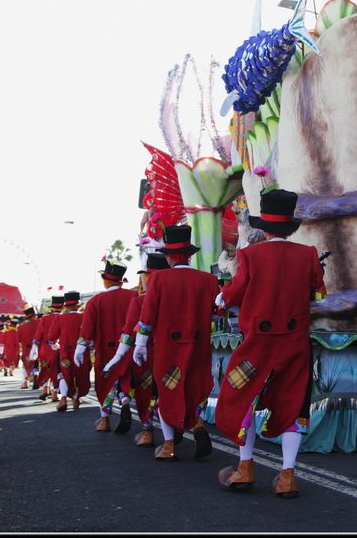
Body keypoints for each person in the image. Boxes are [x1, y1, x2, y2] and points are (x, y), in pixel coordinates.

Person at [214, 188, 326, 497]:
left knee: (241, 398)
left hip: (257, 345)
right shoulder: (309, 254)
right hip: (294, 343)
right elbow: (318, 295)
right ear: (291, 227)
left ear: (262, 227)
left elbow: (232, 295)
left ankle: (245, 468)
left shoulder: (249, 255)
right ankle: (287, 477)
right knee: (293, 404)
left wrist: (220, 300)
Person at [134, 224, 221, 461]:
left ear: (169, 256)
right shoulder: (208, 279)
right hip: (198, 345)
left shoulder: (159, 278)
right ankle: (200, 423)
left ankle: (169, 444)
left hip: (168, 348)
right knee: (195, 386)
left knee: (167, 392)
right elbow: (216, 313)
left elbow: (148, 315)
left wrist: (140, 343)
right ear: (190, 255)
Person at [102, 253, 171, 447]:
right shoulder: (175, 297)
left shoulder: (139, 300)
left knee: (147, 392)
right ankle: (186, 428)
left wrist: (119, 353)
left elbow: (131, 328)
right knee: (172, 391)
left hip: (144, 352)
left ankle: (148, 431)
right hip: (175, 352)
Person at [76, 261, 136, 433]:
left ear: (106, 280)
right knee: (126, 379)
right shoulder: (134, 295)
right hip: (131, 347)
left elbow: (87, 329)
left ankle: (104, 420)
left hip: (106, 348)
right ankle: (125, 401)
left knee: (105, 382)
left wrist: (81, 349)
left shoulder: (95, 301)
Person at [54, 291, 91, 412]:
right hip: (82, 351)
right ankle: (76, 398)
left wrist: (53, 343)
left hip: (66, 351)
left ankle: (63, 399)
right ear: (79, 305)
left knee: (64, 374)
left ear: (65, 306)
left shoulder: (60, 318)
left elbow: (52, 336)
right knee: (80, 373)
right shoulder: (85, 316)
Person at [32, 295, 64, 400]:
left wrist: (35, 346)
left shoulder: (45, 318)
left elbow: (39, 333)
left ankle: (45, 389)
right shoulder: (63, 318)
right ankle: (55, 393)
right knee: (57, 370)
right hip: (58, 347)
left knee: (45, 368)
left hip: (45, 348)